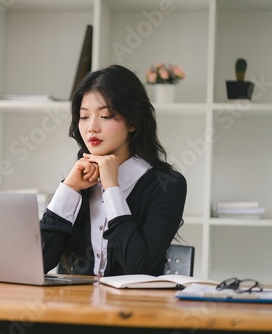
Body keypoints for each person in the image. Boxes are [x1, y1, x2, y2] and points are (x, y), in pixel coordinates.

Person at [40, 65, 187, 277]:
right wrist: (68, 188)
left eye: (106, 115)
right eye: (84, 117)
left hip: (136, 308)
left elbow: (139, 267)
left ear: (133, 122)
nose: (92, 127)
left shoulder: (167, 185)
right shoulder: (79, 181)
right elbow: (38, 262)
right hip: (77, 306)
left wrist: (112, 188)